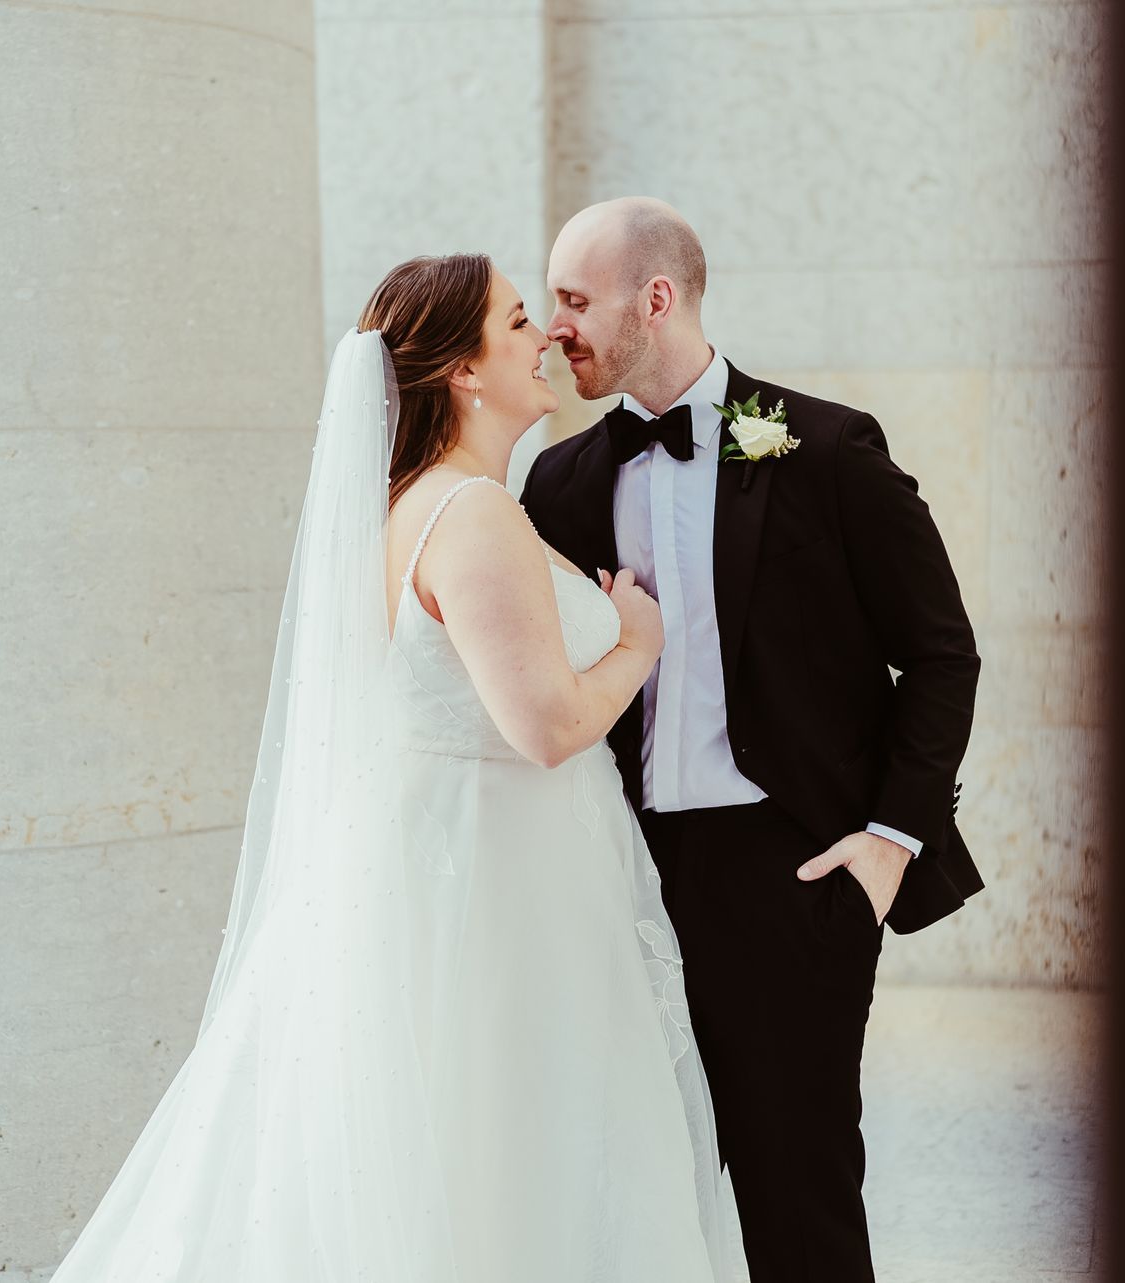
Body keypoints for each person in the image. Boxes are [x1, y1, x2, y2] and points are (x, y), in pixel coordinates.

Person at [46, 252, 744, 1282]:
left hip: (480, 857)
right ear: (463, 370)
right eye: (517, 322)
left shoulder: (431, 502)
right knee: (510, 1147)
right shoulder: (472, 515)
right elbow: (546, 725)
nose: (546, 335)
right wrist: (637, 640)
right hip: (497, 883)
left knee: (483, 1149)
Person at [523, 196, 984, 1282]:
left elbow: (941, 654)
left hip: (793, 872)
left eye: (575, 299)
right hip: (622, 876)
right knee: (644, 1176)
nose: (555, 327)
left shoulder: (826, 448)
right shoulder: (561, 483)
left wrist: (886, 842)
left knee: (797, 1184)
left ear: (658, 297)